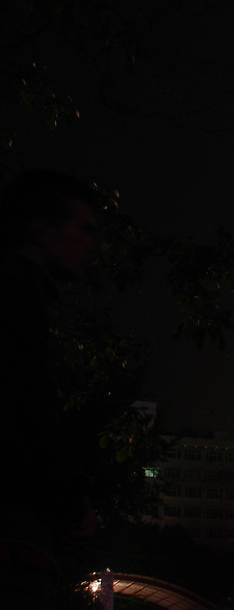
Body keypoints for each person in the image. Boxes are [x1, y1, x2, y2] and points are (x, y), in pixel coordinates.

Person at [0, 170, 101, 607]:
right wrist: (70, 505)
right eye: (84, 229)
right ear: (42, 227)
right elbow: (25, 408)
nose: (93, 245)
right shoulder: (13, 292)